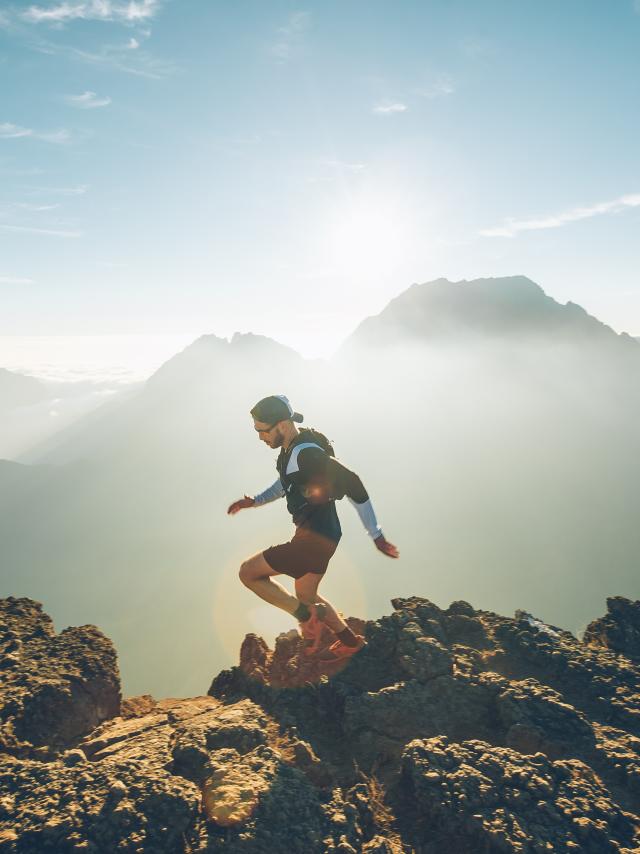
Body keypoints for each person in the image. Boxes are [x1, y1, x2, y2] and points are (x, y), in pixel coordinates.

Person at [227, 394, 399, 661]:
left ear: (281, 425)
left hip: (312, 541)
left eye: (262, 431)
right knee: (306, 593)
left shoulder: (306, 454)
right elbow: (284, 484)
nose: (260, 437)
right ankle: (349, 642)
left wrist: (376, 535)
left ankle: (308, 616)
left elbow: (353, 483)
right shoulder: (291, 449)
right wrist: (255, 501)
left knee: (248, 573)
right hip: (326, 534)